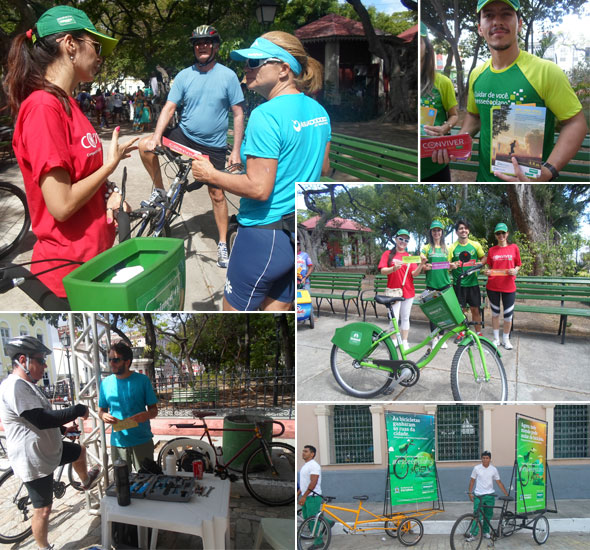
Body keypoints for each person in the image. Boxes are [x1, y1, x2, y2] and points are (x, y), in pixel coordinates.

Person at [3, 5, 138, 301]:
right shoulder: (42, 108)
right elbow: (61, 205)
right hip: (68, 275)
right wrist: (110, 166)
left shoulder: (67, 102)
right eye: (96, 45)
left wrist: (110, 194)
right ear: (70, 45)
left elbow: (81, 176)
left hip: (95, 261)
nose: (101, 56)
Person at [192, 31, 331, 311]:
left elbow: (258, 189)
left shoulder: (265, 115)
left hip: (261, 236)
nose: (246, 68)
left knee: (232, 317)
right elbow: (324, 168)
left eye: (255, 62)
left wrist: (210, 174)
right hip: (295, 238)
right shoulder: (319, 111)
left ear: (283, 69)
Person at [431, 0, 587, 182]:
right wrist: (455, 143)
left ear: (519, 24)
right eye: (488, 15)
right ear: (480, 28)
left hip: (529, 184)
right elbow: (475, 117)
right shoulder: (476, 75)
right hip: (483, 181)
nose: (497, 21)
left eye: (506, 14)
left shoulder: (546, 72)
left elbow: (576, 123)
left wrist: (547, 171)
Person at [139, 25, 245, 269]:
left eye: (207, 42)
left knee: (217, 195)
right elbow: (169, 107)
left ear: (216, 46)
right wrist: (156, 136)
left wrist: (236, 151)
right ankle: (159, 190)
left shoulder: (228, 76)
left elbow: (238, 114)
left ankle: (221, 243)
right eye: (198, 43)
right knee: (144, 146)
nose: (202, 46)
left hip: (213, 147)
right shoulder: (185, 76)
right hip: (184, 136)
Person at [0, 336, 101, 550]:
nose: (45, 365)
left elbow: (40, 417)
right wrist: (77, 410)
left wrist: (64, 429)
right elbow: (41, 419)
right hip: (33, 458)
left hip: (48, 449)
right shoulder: (14, 386)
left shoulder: (29, 386)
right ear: (23, 360)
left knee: (79, 451)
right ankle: (44, 547)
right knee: (43, 510)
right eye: (41, 360)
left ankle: (85, 482)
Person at [98, 341, 158, 471]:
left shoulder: (142, 380)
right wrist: (104, 416)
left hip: (142, 441)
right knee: (122, 484)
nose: (111, 364)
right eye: (110, 360)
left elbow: (154, 411)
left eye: (116, 360)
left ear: (127, 361)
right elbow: (101, 411)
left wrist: (146, 415)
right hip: (118, 443)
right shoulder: (105, 383)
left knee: (147, 483)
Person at [420, 23, 458, 182]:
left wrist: (445, 128)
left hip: (436, 162)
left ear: (427, 47)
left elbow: (454, 115)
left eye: (420, 42)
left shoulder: (443, 82)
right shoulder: (403, 81)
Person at [378, 229, 424, 348]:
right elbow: (382, 270)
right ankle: (394, 340)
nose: (403, 242)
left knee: (405, 317)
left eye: (406, 240)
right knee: (394, 317)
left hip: (408, 291)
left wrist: (421, 264)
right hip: (393, 291)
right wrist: (393, 269)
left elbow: (414, 274)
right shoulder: (388, 254)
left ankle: (404, 340)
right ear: (396, 239)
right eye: (401, 239)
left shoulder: (410, 257)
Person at [449, 220, 487, 339]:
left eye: (465, 228)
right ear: (456, 232)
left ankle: (478, 333)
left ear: (468, 231)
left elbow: (484, 258)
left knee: (475, 309)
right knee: (461, 310)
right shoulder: (452, 247)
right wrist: (451, 265)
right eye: (460, 228)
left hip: (472, 283)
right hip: (458, 285)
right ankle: (462, 332)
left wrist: (479, 265)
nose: (463, 230)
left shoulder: (475, 245)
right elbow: (447, 263)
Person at [485, 222, 521, 349]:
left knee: (508, 315)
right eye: (498, 233)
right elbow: (489, 267)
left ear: (507, 234)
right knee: (495, 314)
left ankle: (506, 339)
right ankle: (496, 339)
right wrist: (487, 272)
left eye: (503, 233)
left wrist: (515, 270)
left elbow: (518, 264)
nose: (501, 235)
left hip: (509, 287)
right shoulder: (491, 250)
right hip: (493, 286)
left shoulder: (514, 248)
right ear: (495, 235)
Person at [421, 220, 451, 348]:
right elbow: (422, 264)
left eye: (439, 230)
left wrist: (452, 266)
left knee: (444, 313)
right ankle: (434, 338)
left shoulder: (447, 249)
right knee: (433, 314)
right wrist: (424, 266)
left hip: (445, 284)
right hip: (432, 285)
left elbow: (448, 266)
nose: (436, 232)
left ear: (442, 232)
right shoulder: (426, 248)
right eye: (434, 230)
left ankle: (442, 338)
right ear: (431, 232)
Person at [467, 451, 509, 540]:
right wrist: (470, 493)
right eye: (483, 458)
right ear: (481, 459)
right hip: (478, 496)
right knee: (477, 515)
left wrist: (506, 494)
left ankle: (486, 532)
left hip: (490, 496)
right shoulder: (476, 468)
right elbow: (472, 481)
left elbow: (499, 482)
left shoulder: (493, 469)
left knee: (488, 515)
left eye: (487, 458)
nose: (485, 459)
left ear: (490, 459)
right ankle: (473, 534)